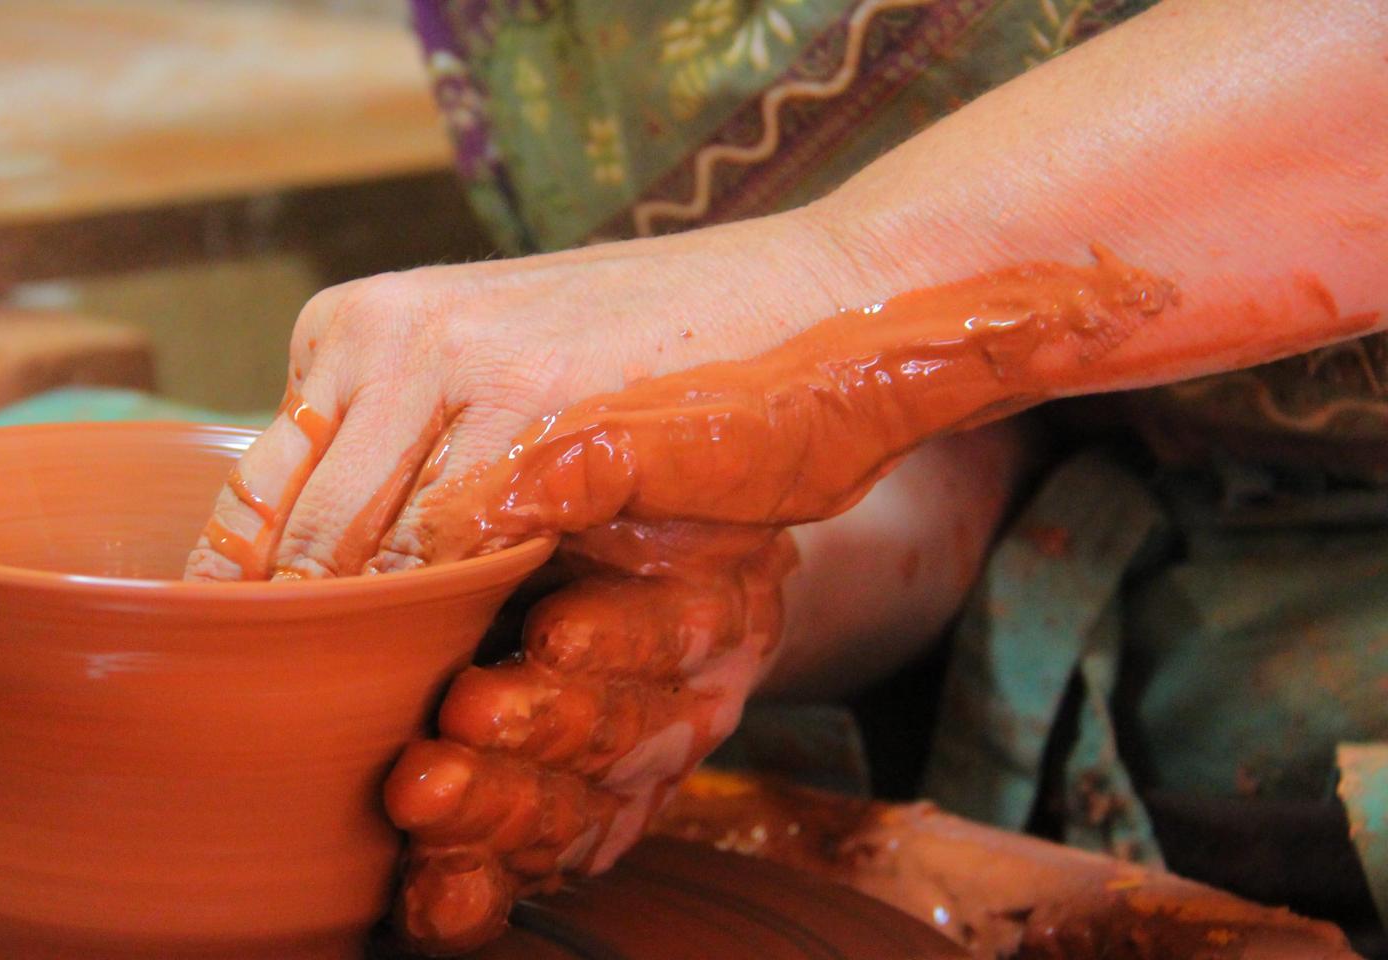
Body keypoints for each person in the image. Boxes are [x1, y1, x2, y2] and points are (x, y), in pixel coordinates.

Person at [183, 0, 1388, 952]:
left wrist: (832, 286)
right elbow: (1017, 424)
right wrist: (711, 560)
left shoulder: (834, 278)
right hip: (1073, 585)